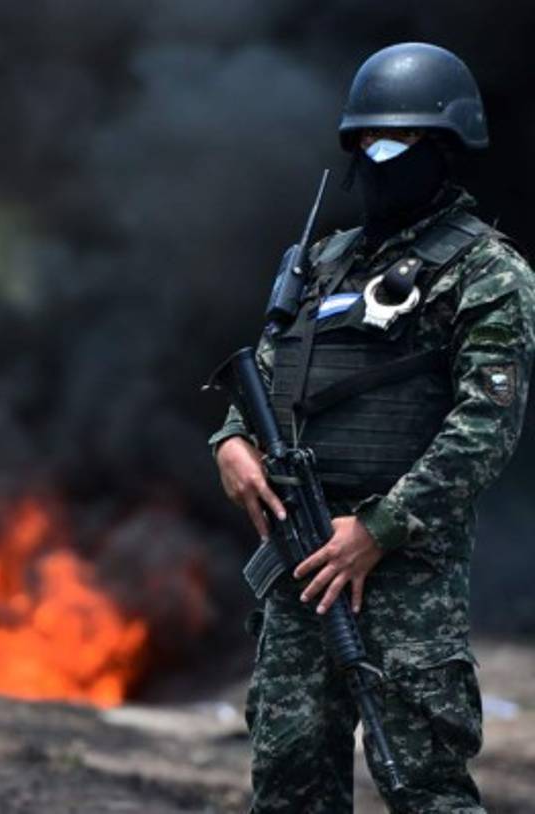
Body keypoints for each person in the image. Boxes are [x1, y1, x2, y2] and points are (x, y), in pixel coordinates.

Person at [211, 42, 535, 812]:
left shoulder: (487, 273)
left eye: (398, 141)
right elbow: (267, 371)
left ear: (445, 148)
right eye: (364, 142)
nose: (376, 157)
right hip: (302, 562)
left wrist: (380, 528)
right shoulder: (324, 262)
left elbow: (485, 426)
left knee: (422, 783)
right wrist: (228, 441)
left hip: (403, 574)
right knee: (289, 779)